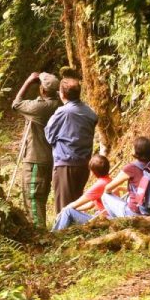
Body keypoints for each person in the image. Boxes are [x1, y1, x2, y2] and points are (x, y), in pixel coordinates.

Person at [12, 71, 60, 229]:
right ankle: (41, 230)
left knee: (33, 198)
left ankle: (40, 235)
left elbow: (16, 104)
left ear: (42, 90)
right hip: (49, 158)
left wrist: (27, 81)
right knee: (41, 198)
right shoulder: (59, 104)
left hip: (35, 159)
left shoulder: (41, 107)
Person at [44, 76, 98, 212]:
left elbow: (49, 136)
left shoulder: (63, 112)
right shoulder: (90, 112)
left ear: (62, 94)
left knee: (64, 208)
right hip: (84, 164)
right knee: (76, 204)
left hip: (65, 165)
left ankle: (63, 232)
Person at [101, 136, 150, 218]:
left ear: (137, 151)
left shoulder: (131, 168)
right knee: (128, 198)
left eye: (133, 147)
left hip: (135, 214)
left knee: (105, 196)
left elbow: (108, 188)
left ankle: (117, 222)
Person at [51, 154, 111, 231]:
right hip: (106, 218)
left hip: (106, 221)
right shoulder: (109, 180)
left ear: (93, 172)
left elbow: (76, 203)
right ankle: (53, 233)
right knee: (69, 210)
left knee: (67, 211)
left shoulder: (99, 185)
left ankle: (55, 234)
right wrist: (77, 210)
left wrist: (64, 210)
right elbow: (90, 204)